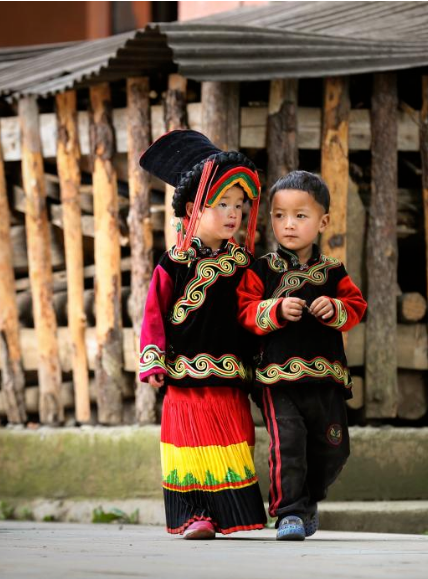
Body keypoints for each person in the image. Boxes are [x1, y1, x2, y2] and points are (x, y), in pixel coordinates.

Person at [138, 129, 267, 539]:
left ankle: (227, 516)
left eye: (239, 205)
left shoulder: (246, 265)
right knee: (188, 447)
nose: (233, 214)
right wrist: (153, 359)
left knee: (231, 442)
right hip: (184, 376)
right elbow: (153, 315)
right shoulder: (173, 263)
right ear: (194, 208)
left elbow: (253, 316)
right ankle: (195, 515)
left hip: (230, 377)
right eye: (222, 203)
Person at [237, 170, 367, 541]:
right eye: (280, 216)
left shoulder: (333, 272)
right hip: (277, 379)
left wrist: (335, 307)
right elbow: (245, 311)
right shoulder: (261, 269)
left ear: (323, 222)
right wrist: (274, 309)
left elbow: (356, 306)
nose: (289, 224)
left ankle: (308, 499)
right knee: (288, 444)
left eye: (300, 215)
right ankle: (289, 512)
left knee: (334, 448)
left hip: (326, 378)